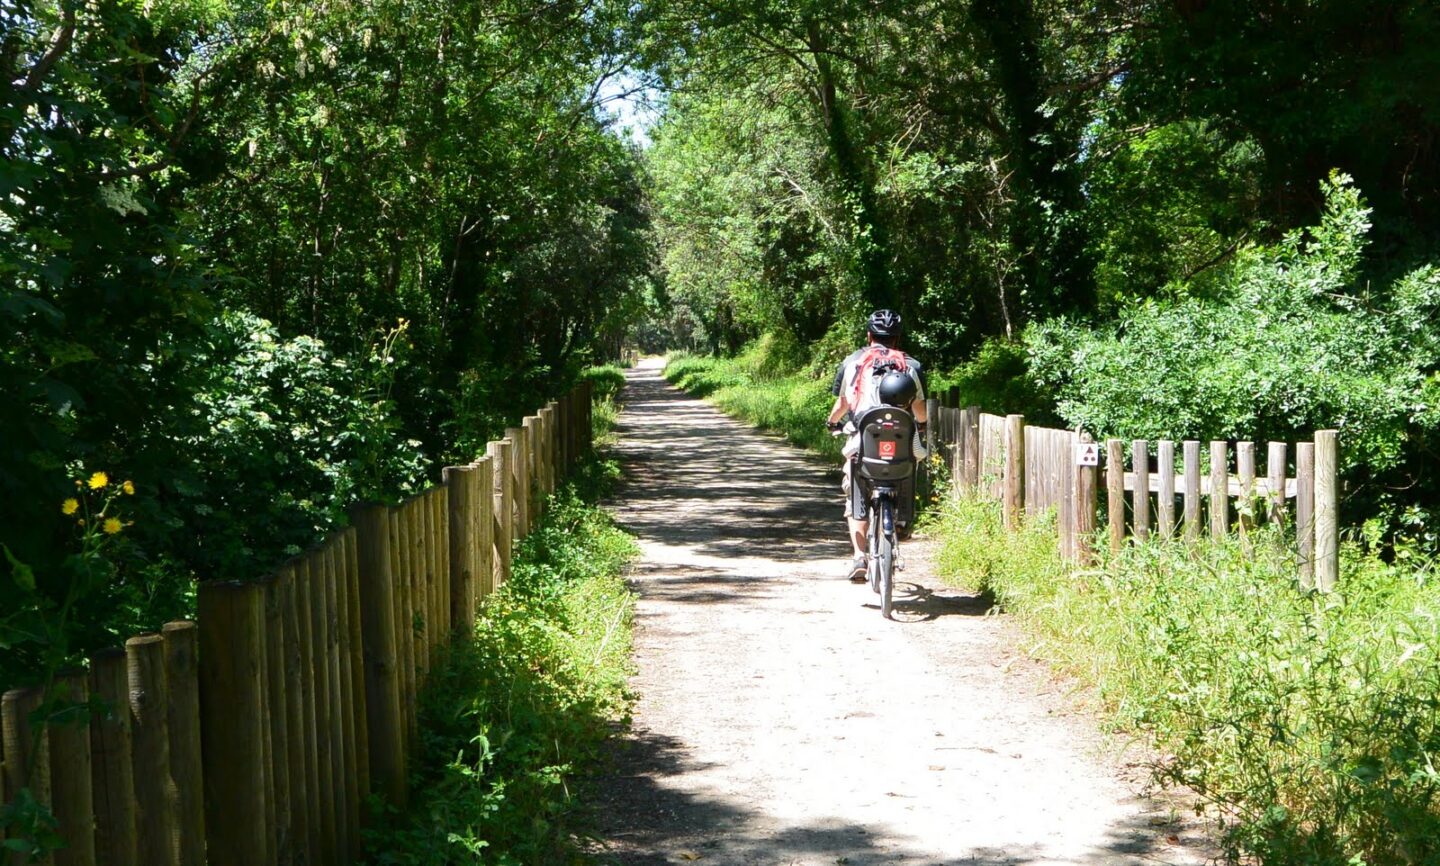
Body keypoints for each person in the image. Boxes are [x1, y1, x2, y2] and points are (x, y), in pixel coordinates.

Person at [826, 309, 928, 581]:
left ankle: (859, 556)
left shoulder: (854, 363)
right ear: (897, 338)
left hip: (864, 441)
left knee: (855, 490)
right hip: (900, 441)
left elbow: (844, 403)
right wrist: (922, 425)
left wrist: (832, 421)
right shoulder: (910, 366)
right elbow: (919, 408)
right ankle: (903, 519)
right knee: (908, 467)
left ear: (869, 335)